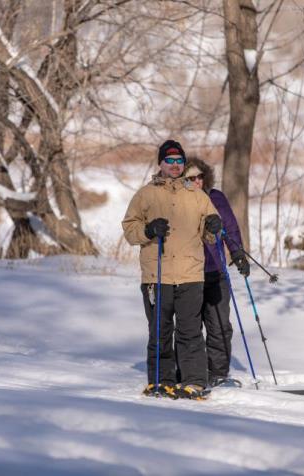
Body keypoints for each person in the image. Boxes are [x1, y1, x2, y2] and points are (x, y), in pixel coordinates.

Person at [122, 140, 221, 399]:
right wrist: (148, 230)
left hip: (190, 274)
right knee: (160, 330)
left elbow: (210, 235)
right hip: (157, 275)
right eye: (170, 161)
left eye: (179, 161)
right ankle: (161, 379)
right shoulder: (145, 195)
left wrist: (212, 227)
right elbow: (129, 229)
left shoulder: (197, 196)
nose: (175, 166)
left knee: (189, 331)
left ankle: (194, 381)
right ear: (161, 164)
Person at [183, 157, 249, 387]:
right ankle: (194, 373)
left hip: (215, 271)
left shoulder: (216, 197)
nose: (197, 182)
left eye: (200, 176)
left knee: (220, 325)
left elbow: (230, 226)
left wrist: (238, 253)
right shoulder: (180, 201)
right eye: (190, 178)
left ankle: (219, 373)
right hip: (189, 274)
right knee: (190, 327)